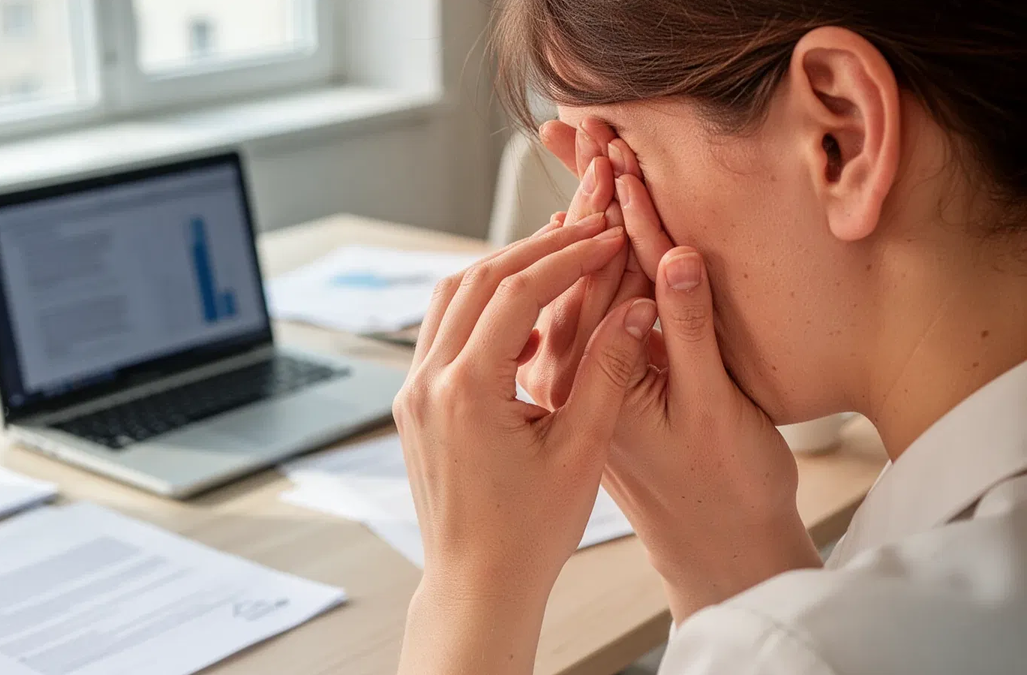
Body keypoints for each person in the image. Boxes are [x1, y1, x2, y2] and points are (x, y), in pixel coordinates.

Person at [393, 2, 1027, 674]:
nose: (602, 226)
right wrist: (726, 554)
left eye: (619, 160)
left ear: (842, 140)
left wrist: (467, 589)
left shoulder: (809, 648)